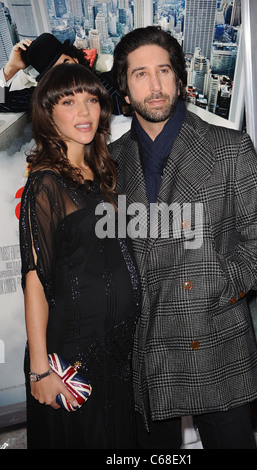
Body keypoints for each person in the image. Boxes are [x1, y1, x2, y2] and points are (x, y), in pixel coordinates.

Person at [110, 26, 257, 449]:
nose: (155, 86)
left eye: (164, 71)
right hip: (146, 347)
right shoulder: (111, 161)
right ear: (124, 86)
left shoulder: (228, 147)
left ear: (179, 78)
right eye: (140, 74)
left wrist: (219, 284)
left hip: (214, 337)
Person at [19, 63, 140, 449]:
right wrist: (40, 371)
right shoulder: (45, 183)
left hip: (118, 350)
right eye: (69, 102)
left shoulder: (105, 173)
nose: (84, 112)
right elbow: (35, 278)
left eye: (91, 100)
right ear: (48, 112)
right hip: (72, 355)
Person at [0, 32, 123, 115]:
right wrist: (10, 68)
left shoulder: (111, 81)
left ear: (75, 59)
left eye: (66, 63)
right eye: (56, 72)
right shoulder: (46, 98)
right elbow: (1, 100)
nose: (67, 73)